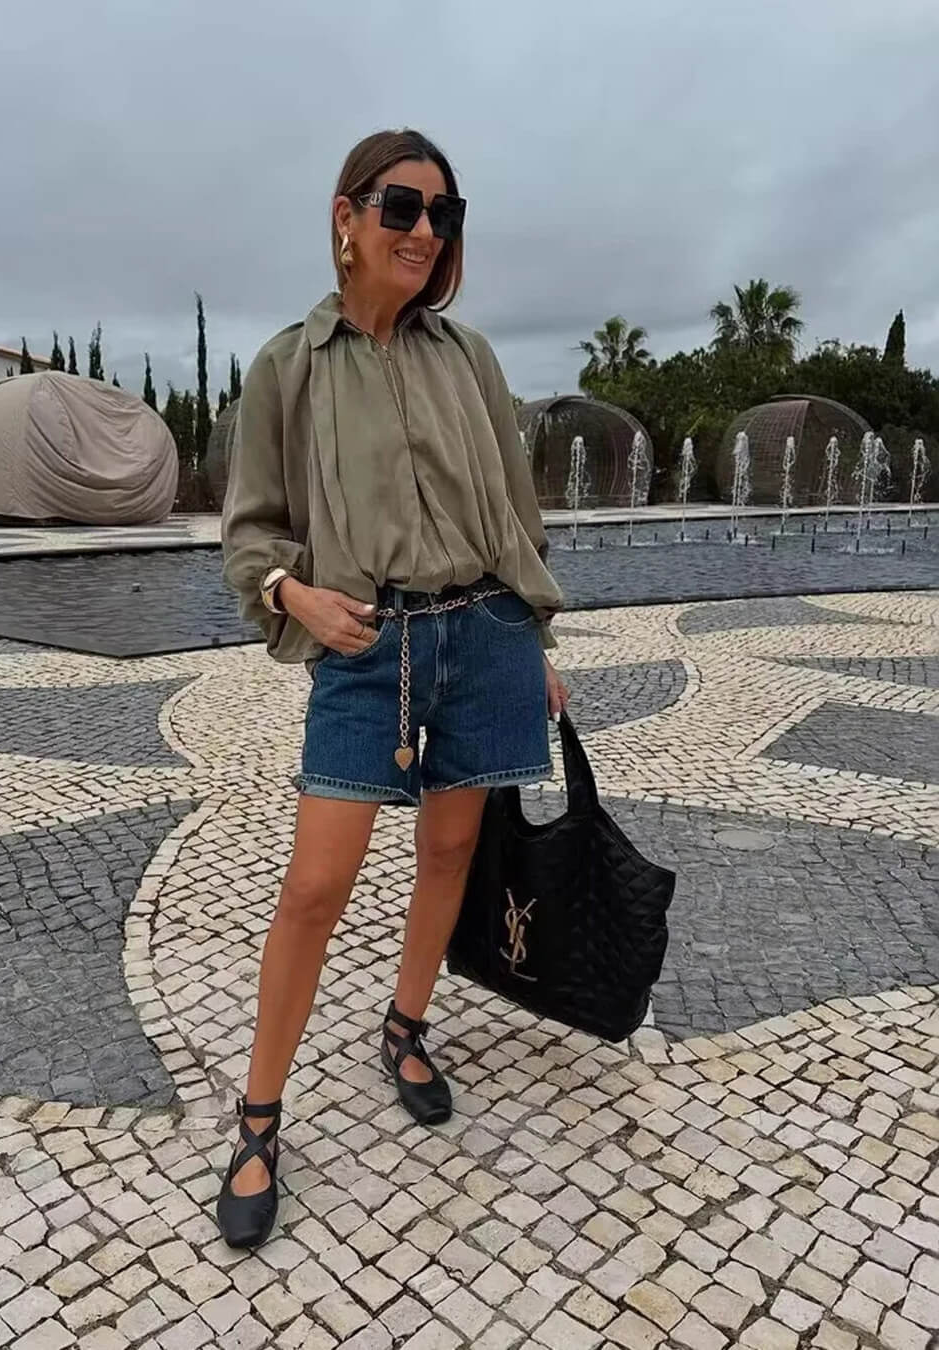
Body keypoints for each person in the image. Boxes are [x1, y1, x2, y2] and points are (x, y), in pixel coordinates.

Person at [218, 128, 569, 1248]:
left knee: (453, 853)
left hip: (487, 633)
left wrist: (534, 637)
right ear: (347, 217)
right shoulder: (288, 366)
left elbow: (515, 512)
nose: (424, 231)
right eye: (402, 207)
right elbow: (250, 532)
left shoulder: (470, 358)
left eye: (443, 214)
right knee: (315, 888)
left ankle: (406, 1024)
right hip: (367, 650)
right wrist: (293, 595)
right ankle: (259, 1118)